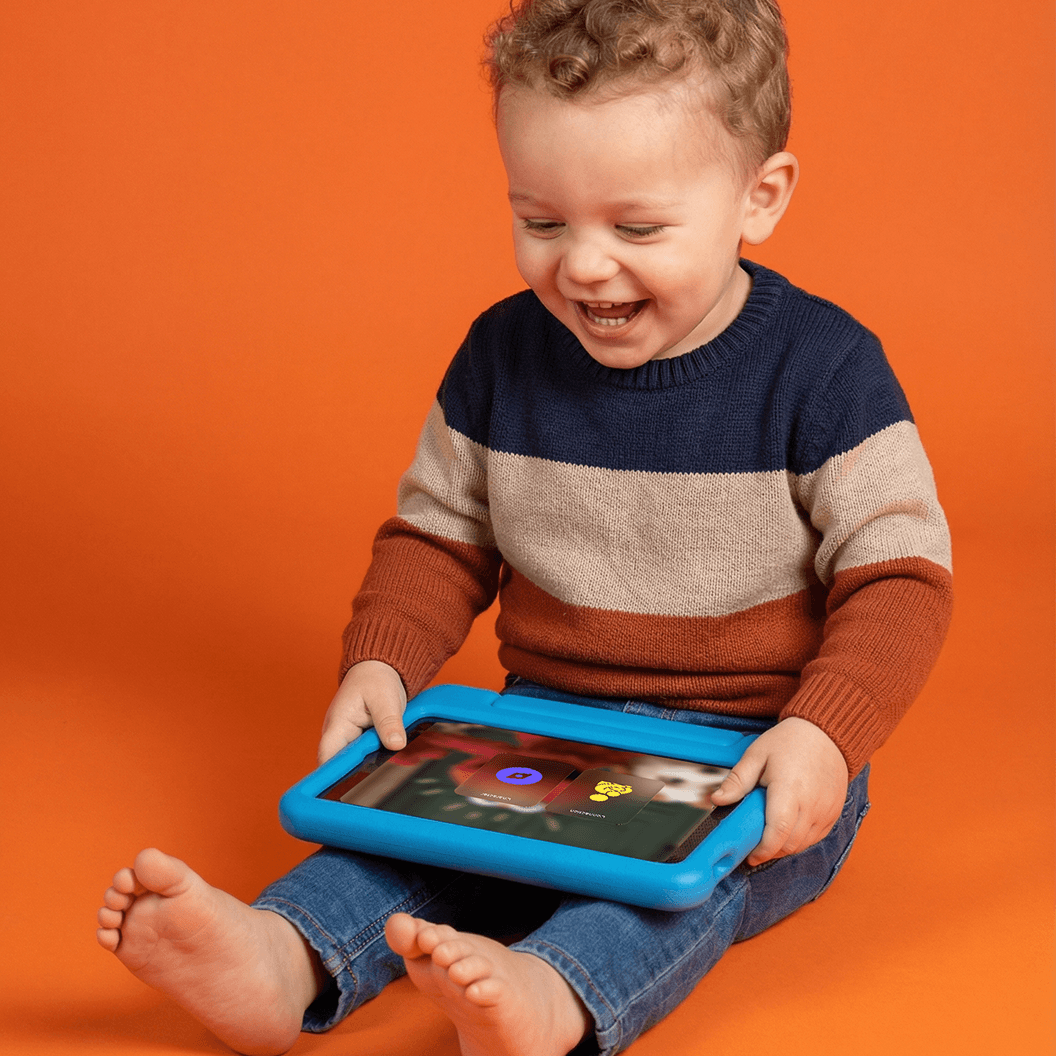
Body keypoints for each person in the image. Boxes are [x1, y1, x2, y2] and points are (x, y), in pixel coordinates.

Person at [95, 2, 953, 1054]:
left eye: (637, 229)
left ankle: (554, 997)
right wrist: (383, 661)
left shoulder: (826, 370)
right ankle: (284, 953)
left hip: (750, 753)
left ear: (759, 198)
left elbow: (900, 576)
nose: (583, 267)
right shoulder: (501, 354)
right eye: (543, 223)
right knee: (408, 836)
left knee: (669, 891)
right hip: (543, 729)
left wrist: (822, 734)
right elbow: (438, 533)